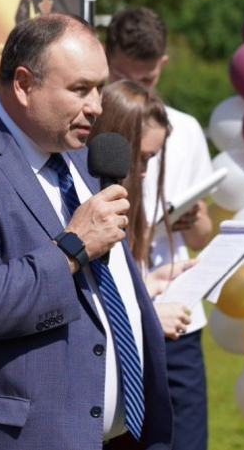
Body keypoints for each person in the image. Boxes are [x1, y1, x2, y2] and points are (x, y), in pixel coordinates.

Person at [0, 14, 176, 449]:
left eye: (100, 88)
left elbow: (96, 295)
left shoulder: (83, 158)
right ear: (24, 85)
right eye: (80, 89)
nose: (97, 106)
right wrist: (71, 248)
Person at [105, 7, 215, 450]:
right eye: (123, 77)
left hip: (178, 316)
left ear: (162, 65)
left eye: (147, 80)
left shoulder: (185, 129)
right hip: (121, 318)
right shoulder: (97, 125)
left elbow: (201, 238)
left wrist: (195, 220)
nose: (137, 88)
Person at [88, 80, 193, 342]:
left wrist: (150, 281)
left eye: (151, 158)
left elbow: (113, 286)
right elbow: (84, 300)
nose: (145, 171)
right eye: (141, 157)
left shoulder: (128, 196)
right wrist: (148, 315)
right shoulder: (82, 202)